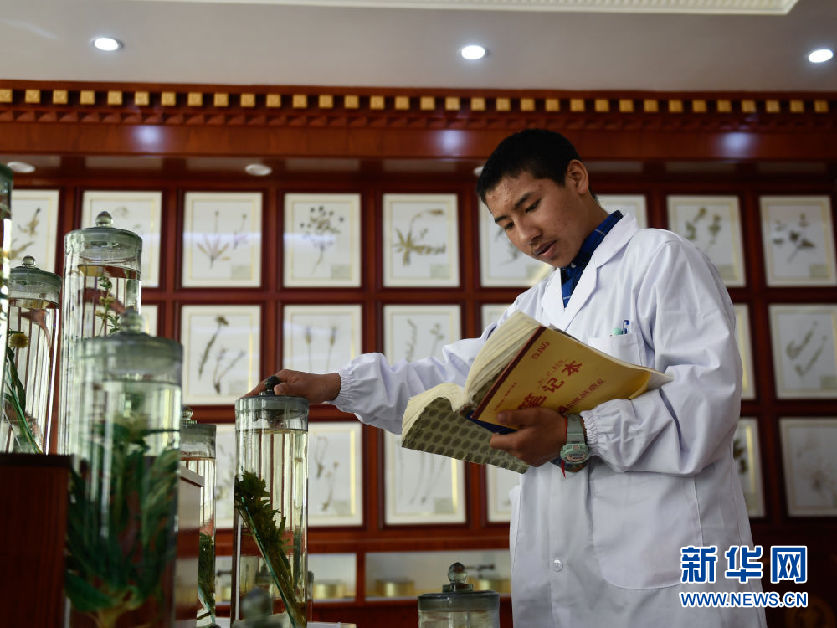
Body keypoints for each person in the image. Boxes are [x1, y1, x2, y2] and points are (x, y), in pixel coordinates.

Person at [256, 129, 766, 627]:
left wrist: (575, 432)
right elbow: (455, 378)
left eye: (530, 206)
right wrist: (335, 386)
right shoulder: (535, 305)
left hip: (668, 581)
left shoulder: (661, 260)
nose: (526, 234)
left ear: (576, 177)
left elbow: (704, 408)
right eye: (506, 224)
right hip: (568, 579)